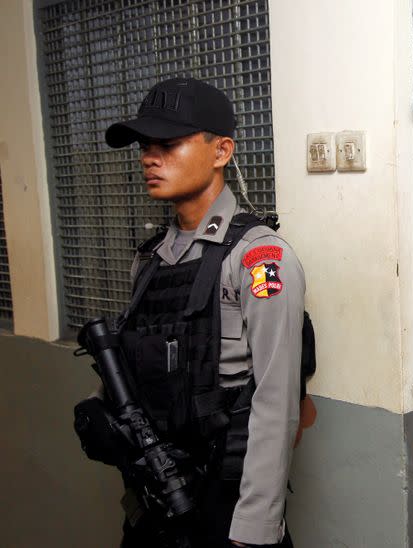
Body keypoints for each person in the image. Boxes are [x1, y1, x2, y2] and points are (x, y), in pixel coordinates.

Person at [92, 77, 303, 547]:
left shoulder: (258, 258)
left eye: (168, 143)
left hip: (226, 510)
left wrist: (254, 530)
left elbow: (276, 401)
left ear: (221, 151)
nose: (149, 156)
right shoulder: (149, 260)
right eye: (145, 145)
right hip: (157, 503)